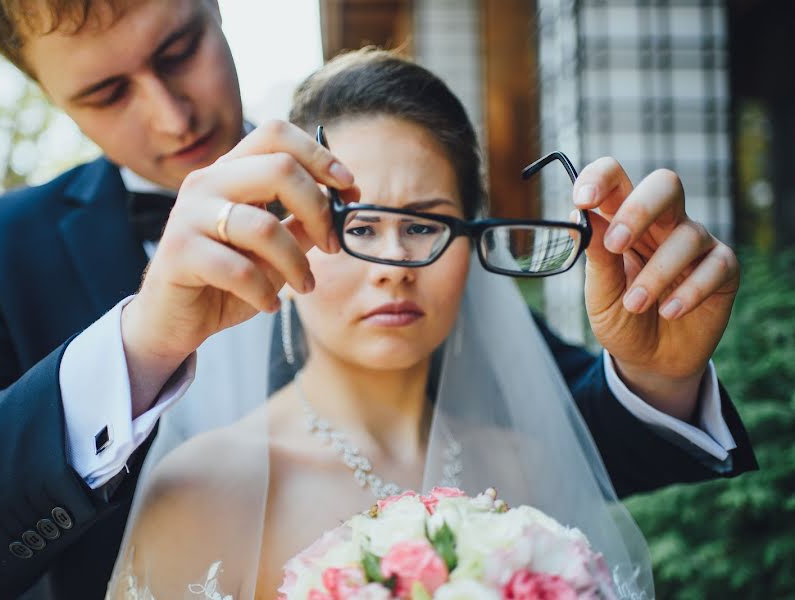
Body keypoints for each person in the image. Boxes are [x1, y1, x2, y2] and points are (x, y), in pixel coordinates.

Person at [0, 2, 754, 599]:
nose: (168, 117)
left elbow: (551, 418)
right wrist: (142, 343)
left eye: (176, 50)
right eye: (105, 93)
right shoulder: (0, 249)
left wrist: (655, 375)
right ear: (45, 93)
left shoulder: (376, 164)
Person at [108, 49, 755, 600]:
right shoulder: (201, 491)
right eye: (356, 226)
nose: (393, 264)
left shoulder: (532, 467)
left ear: (472, 242)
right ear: (282, 232)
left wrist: (659, 365)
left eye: (424, 225)